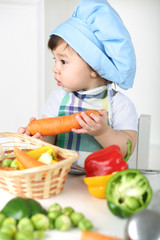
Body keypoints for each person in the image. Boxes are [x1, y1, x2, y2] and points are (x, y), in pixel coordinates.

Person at [18, 0, 138, 167]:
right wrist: (38, 138)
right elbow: (50, 142)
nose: (55, 68)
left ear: (95, 67)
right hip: (61, 179)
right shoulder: (57, 98)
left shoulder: (120, 105)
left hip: (101, 181)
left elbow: (127, 149)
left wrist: (103, 132)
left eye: (63, 62)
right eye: (55, 60)